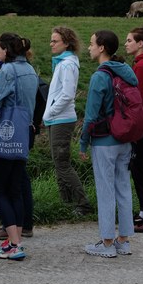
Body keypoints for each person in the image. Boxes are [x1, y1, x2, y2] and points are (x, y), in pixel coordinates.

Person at [80, 30, 136, 257]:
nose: (89, 47)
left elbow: (91, 115)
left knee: (105, 191)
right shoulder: (126, 71)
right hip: (125, 139)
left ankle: (106, 243)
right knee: (123, 188)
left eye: (92, 43)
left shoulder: (100, 76)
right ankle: (124, 240)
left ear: (102, 47)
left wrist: (83, 142)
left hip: (104, 141)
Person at [0, 33, 38, 260]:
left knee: (0, 190)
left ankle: (15, 244)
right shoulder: (30, 70)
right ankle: (15, 239)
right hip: (24, 133)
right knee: (15, 189)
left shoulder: (7, 71)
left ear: (5, 50)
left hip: (6, 135)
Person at [43, 26, 92, 216]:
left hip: (61, 119)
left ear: (66, 43)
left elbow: (67, 94)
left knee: (62, 163)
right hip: (56, 119)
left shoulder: (67, 65)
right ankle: (66, 203)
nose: (51, 44)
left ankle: (83, 204)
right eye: (51, 40)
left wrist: (50, 113)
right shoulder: (63, 62)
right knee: (59, 162)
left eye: (55, 41)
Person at [124, 25, 143, 232]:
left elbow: (138, 100)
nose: (126, 44)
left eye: (129, 40)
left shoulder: (141, 66)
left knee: (140, 168)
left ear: (140, 44)